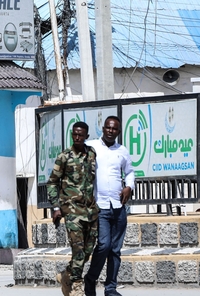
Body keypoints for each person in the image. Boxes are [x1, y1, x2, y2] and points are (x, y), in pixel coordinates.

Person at [84, 116, 135, 296]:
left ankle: (111, 287)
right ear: (103, 128)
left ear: (118, 132)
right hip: (101, 206)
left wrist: (129, 186)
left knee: (115, 249)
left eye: (114, 129)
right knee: (104, 245)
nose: (110, 131)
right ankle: (90, 279)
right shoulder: (91, 147)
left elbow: (129, 172)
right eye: (108, 128)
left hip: (119, 206)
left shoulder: (122, 151)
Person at [47, 122, 98, 296]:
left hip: (90, 211)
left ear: (86, 136)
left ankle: (66, 274)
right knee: (78, 249)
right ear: (72, 134)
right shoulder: (64, 157)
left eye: (81, 135)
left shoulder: (92, 154)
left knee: (87, 251)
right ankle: (76, 286)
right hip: (72, 211)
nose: (77, 137)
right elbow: (53, 182)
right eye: (75, 134)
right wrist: (56, 207)